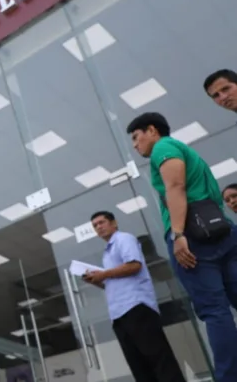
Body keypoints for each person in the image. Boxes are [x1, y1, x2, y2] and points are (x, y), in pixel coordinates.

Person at [126, 112, 237, 381]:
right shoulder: (186, 151)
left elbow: (175, 185)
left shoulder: (163, 147)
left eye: (136, 137)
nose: (135, 145)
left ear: (152, 130)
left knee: (215, 311)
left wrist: (178, 234)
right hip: (222, 231)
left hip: (193, 236)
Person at [83, 211, 184, 382]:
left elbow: (134, 265)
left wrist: (104, 274)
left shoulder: (124, 239)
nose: (98, 227)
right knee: (139, 367)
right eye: (95, 226)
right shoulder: (107, 253)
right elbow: (113, 283)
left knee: (159, 360)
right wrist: (97, 280)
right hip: (119, 314)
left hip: (136, 307)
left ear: (114, 223)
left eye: (102, 222)